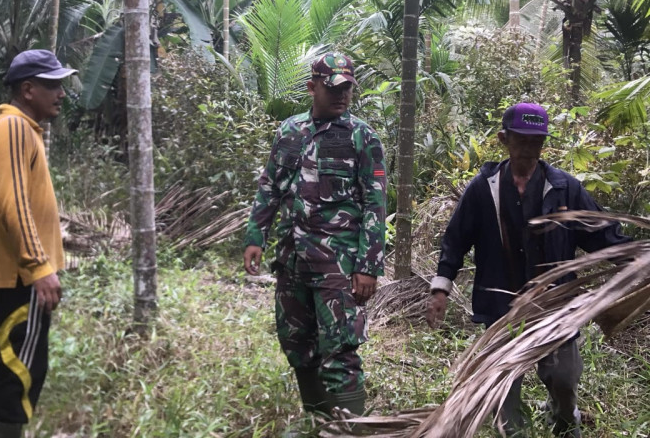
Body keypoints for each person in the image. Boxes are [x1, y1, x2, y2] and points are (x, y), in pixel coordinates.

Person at [425, 102, 629, 438]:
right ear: (503, 138)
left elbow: (601, 235)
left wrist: (635, 260)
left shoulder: (565, 188)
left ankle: (564, 422)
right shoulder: (483, 188)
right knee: (505, 388)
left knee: (564, 379)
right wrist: (440, 288)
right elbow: (455, 240)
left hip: (555, 305)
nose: (529, 147)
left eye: (537, 140)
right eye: (522, 139)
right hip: (501, 307)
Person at [243, 52, 387, 417]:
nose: (342, 95)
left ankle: (350, 429)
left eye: (347, 88)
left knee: (340, 349)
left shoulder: (362, 137)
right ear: (312, 87)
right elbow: (270, 187)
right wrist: (255, 236)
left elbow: (375, 204)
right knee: (297, 344)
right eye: (333, 88)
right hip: (291, 260)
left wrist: (368, 266)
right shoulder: (289, 131)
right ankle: (319, 421)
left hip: (337, 266)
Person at [0, 49, 77, 438]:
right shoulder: (14, 128)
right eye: (53, 85)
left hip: (16, 274)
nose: (61, 93)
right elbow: (14, 204)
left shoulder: (15, 128)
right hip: (20, 276)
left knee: (12, 362)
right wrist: (38, 266)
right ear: (28, 89)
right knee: (17, 370)